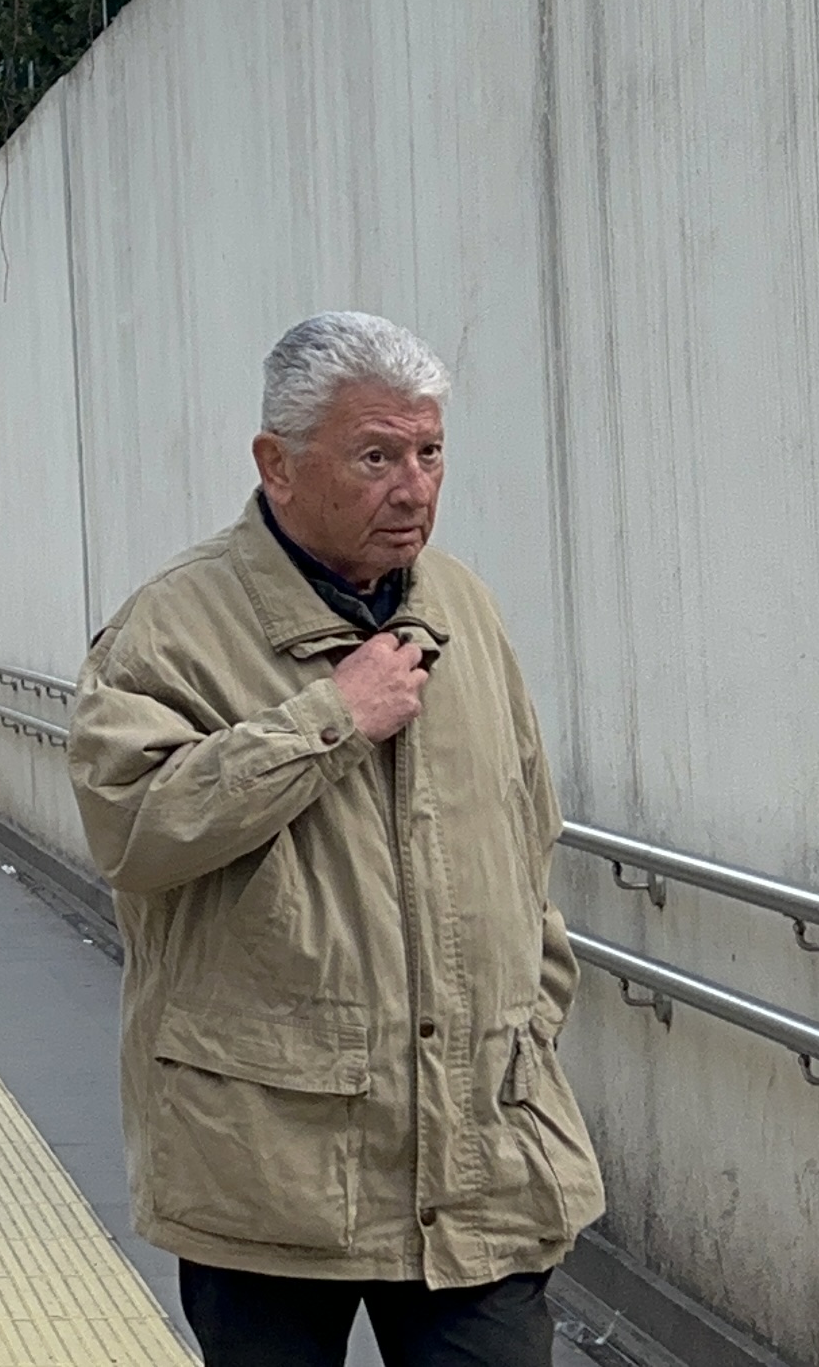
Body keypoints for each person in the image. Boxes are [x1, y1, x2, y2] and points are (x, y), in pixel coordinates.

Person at [66, 314, 601, 1367]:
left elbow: (525, 829)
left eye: (428, 452)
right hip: (268, 1169)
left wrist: (529, 1024)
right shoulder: (170, 627)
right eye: (375, 456)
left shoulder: (464, 608)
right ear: (276, 464)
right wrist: (327, 720)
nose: (412, 488)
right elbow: (133, 828)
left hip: (478, 1155)